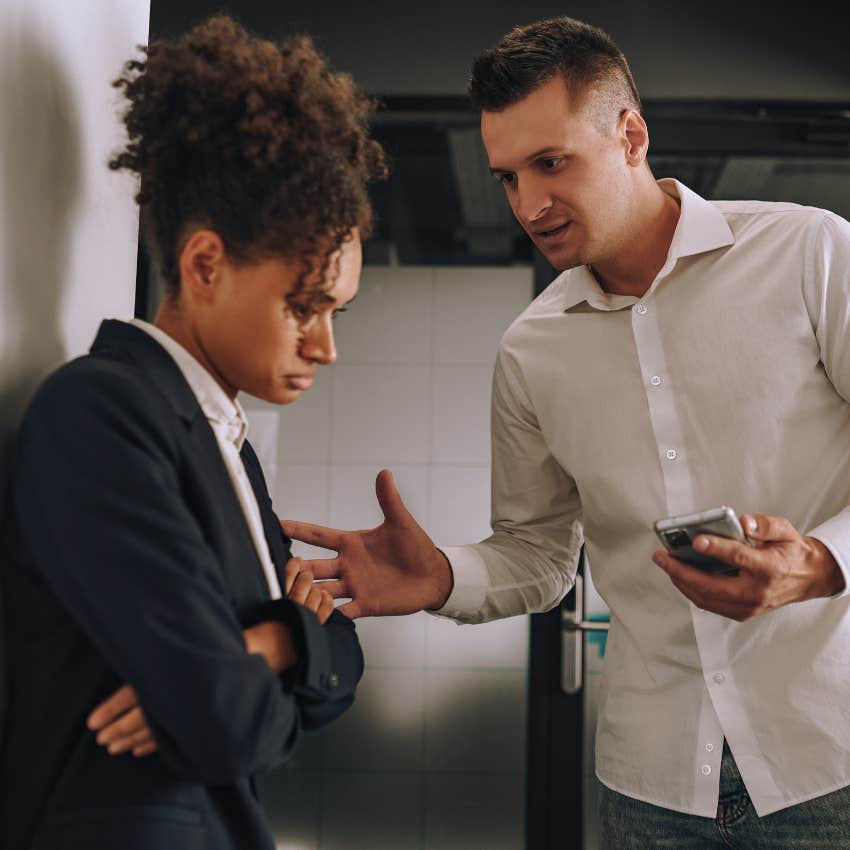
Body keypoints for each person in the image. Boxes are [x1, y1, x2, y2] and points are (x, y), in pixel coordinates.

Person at [283, 16, 850, 849]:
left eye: (552, 163)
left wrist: (819, 562)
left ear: (630, 135)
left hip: (831, 761)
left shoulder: (810, 254)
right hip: (651, 791)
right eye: (508, 176)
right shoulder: (531, 349)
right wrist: (443, 575)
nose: (529, 205)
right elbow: (541, 557)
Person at [0, 15, 386, 850]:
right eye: (304, 306)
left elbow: (342, 664)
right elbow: (227, 723)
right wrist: (285, 639)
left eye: (335, 312)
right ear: (205, 265)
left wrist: (276, 639)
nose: (326, 345)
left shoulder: (225, 441)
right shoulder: (99, 414)